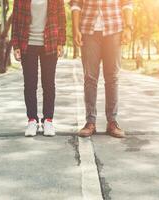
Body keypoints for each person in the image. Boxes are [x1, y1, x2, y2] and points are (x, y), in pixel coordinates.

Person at [71, 0, 133, 138]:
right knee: (90, 78)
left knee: (112, 77)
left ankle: (112, 121)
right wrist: (75, 29)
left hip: (114, 29)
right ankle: (90, 122)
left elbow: (127, 3)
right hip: (88, 30)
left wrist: (128, 27)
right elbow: (75, 4)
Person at [11, 0, 66, 137]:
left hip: (50, 42)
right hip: (27, 44)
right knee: (30, 84)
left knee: (48, 84)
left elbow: (61, 19)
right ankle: (32, 120)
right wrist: (16, 45)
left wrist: (61, 42)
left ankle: (48, 120)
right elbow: (15, 22)